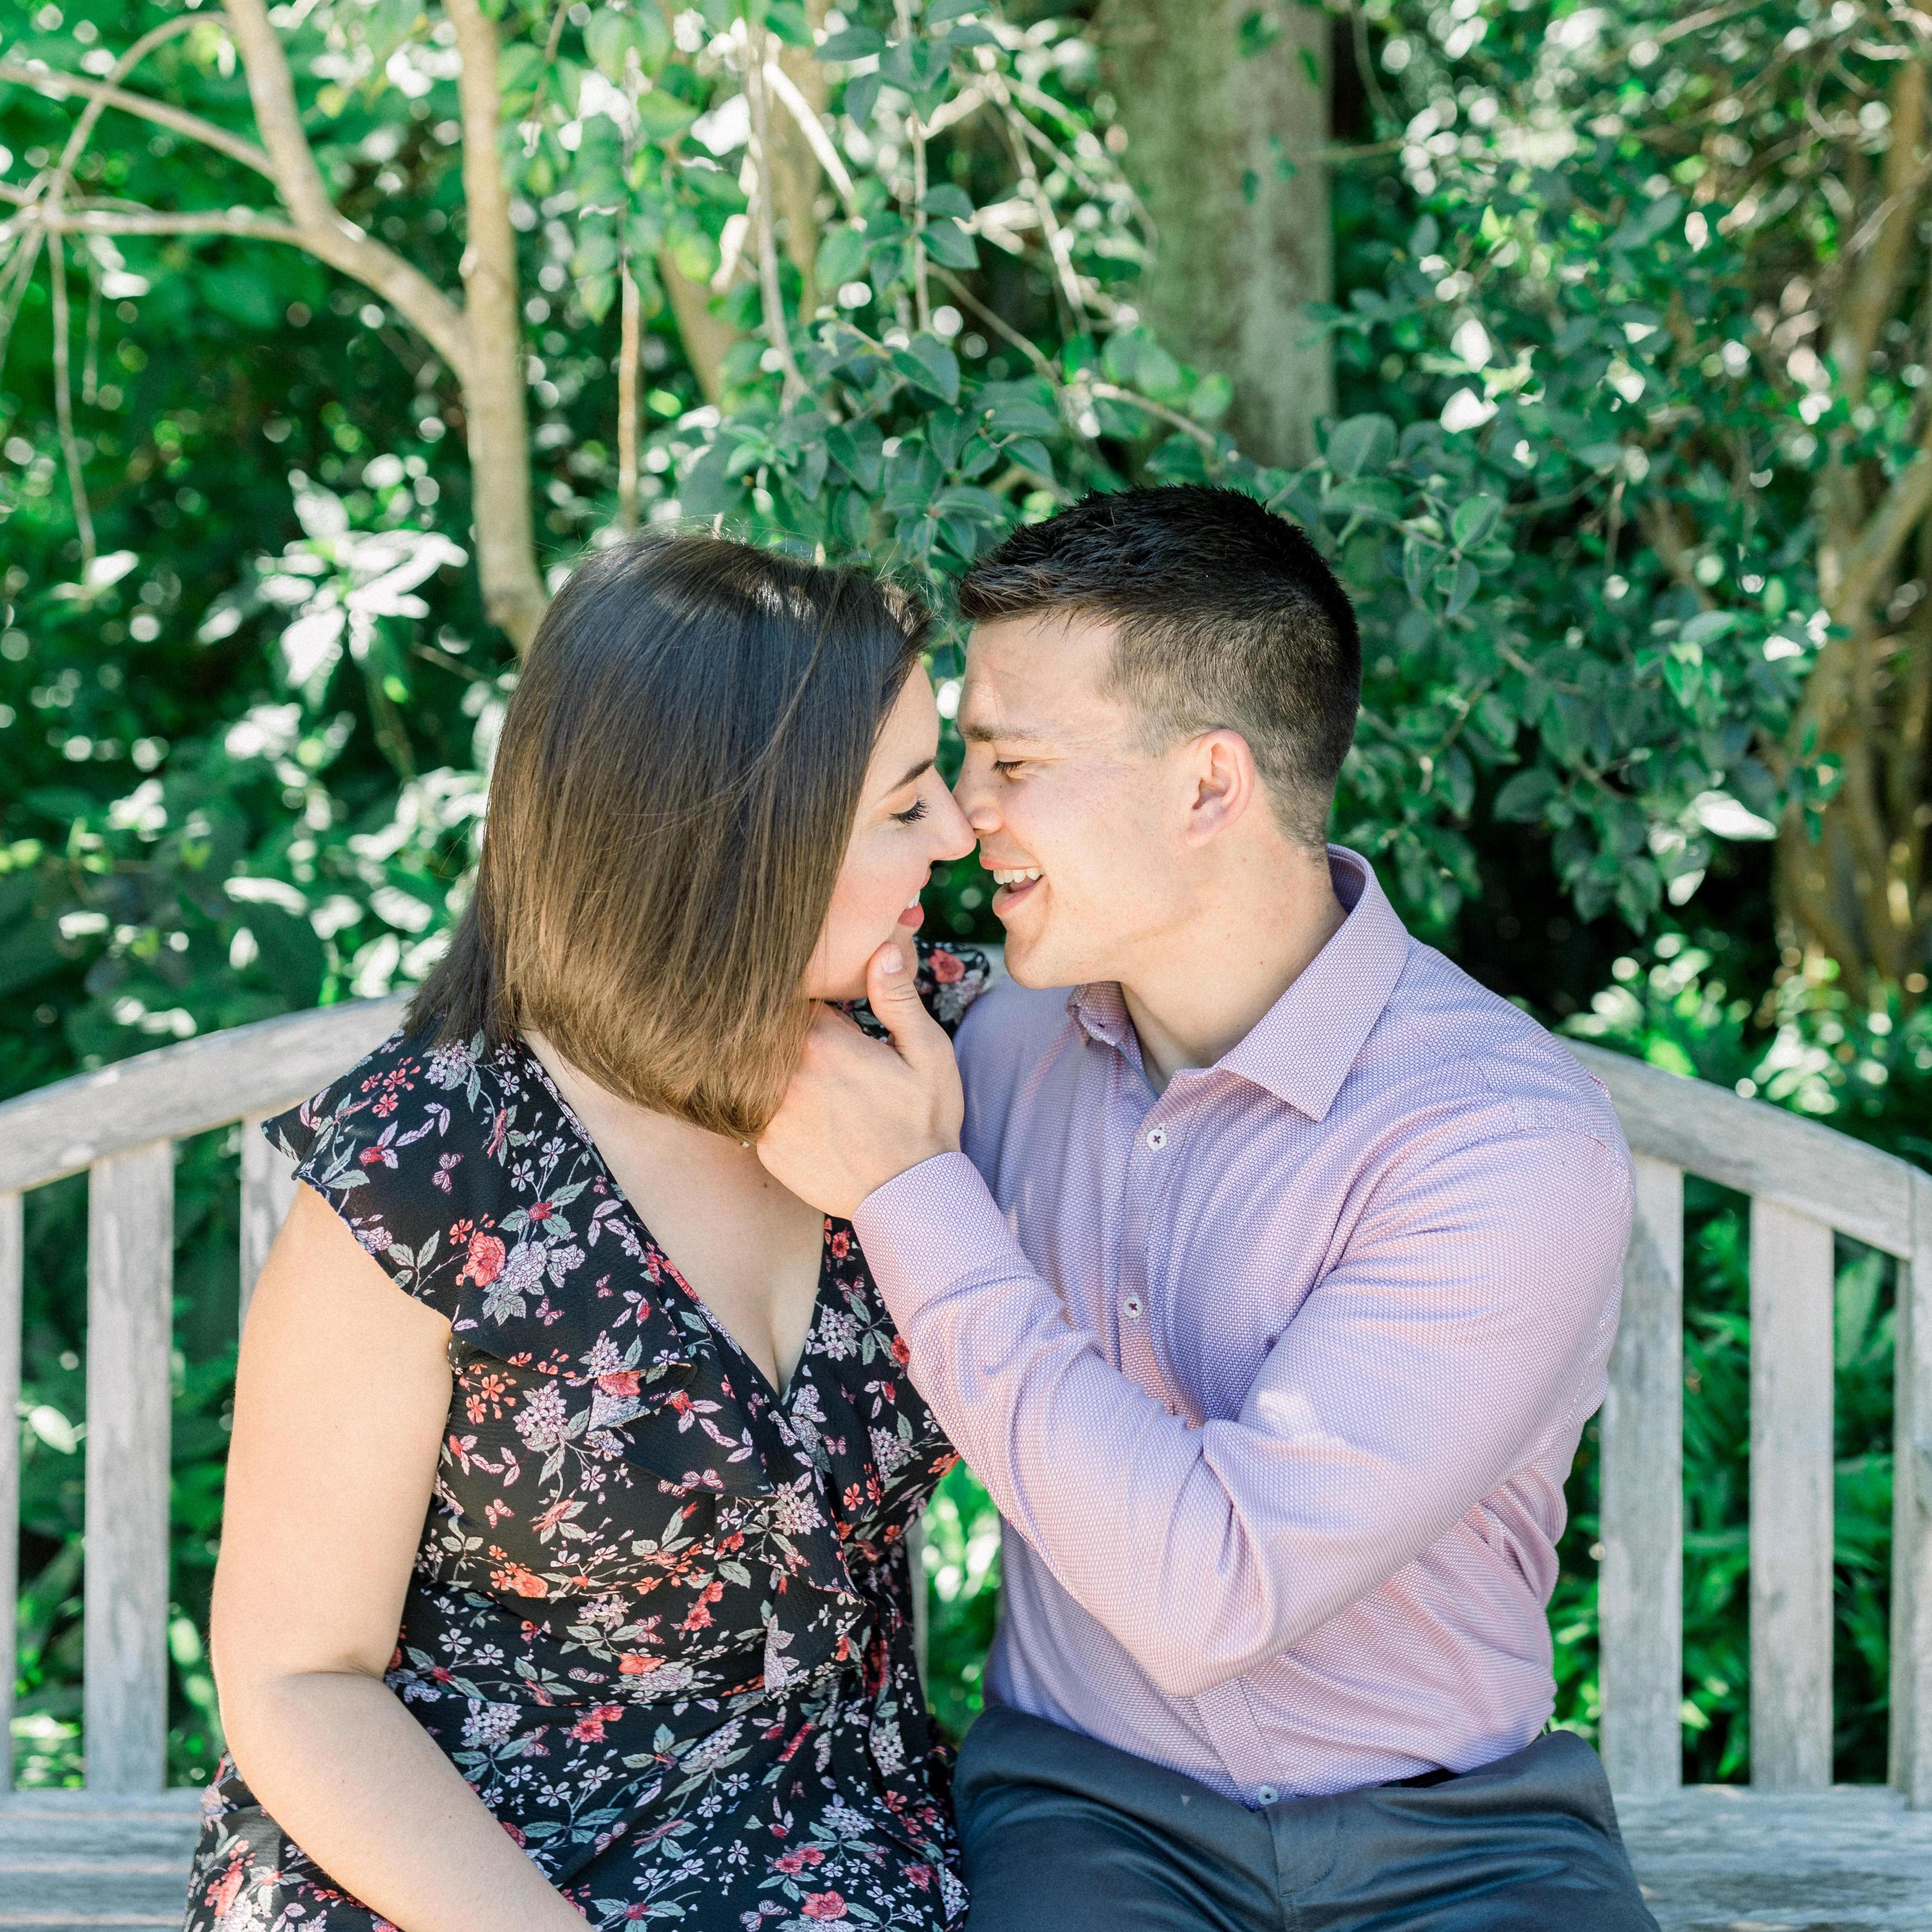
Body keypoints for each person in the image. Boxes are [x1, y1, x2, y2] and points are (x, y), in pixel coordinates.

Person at [756, 486, 1661, 1932]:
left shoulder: (1499, 1141)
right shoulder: (979, 1054)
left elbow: (1214, 1593)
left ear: (1206, 786)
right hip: (1088, 1812)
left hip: (1464, 1841)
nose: (956, 816)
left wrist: (912, 1198)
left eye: (1010, 760)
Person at [185, 533, 987, 1932]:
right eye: (905, 804)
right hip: (444, 1856)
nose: (960, 837)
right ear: (747, 838)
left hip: (811, 1836)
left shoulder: (940, 1054)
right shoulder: (433, 1162)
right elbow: (296, 1677)